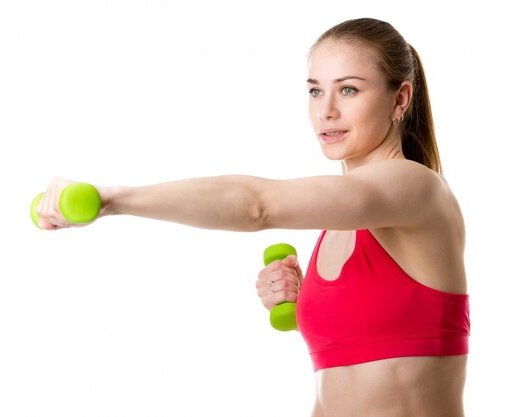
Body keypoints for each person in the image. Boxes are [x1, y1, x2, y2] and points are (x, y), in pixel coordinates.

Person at [36, 17, 470, 417]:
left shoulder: (416, 188)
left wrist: (113, 199)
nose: (326, 110)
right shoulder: (341, 220)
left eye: (349, 89)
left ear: (401, 98)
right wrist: (303, 304)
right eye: (315, 90)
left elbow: (258, 205)